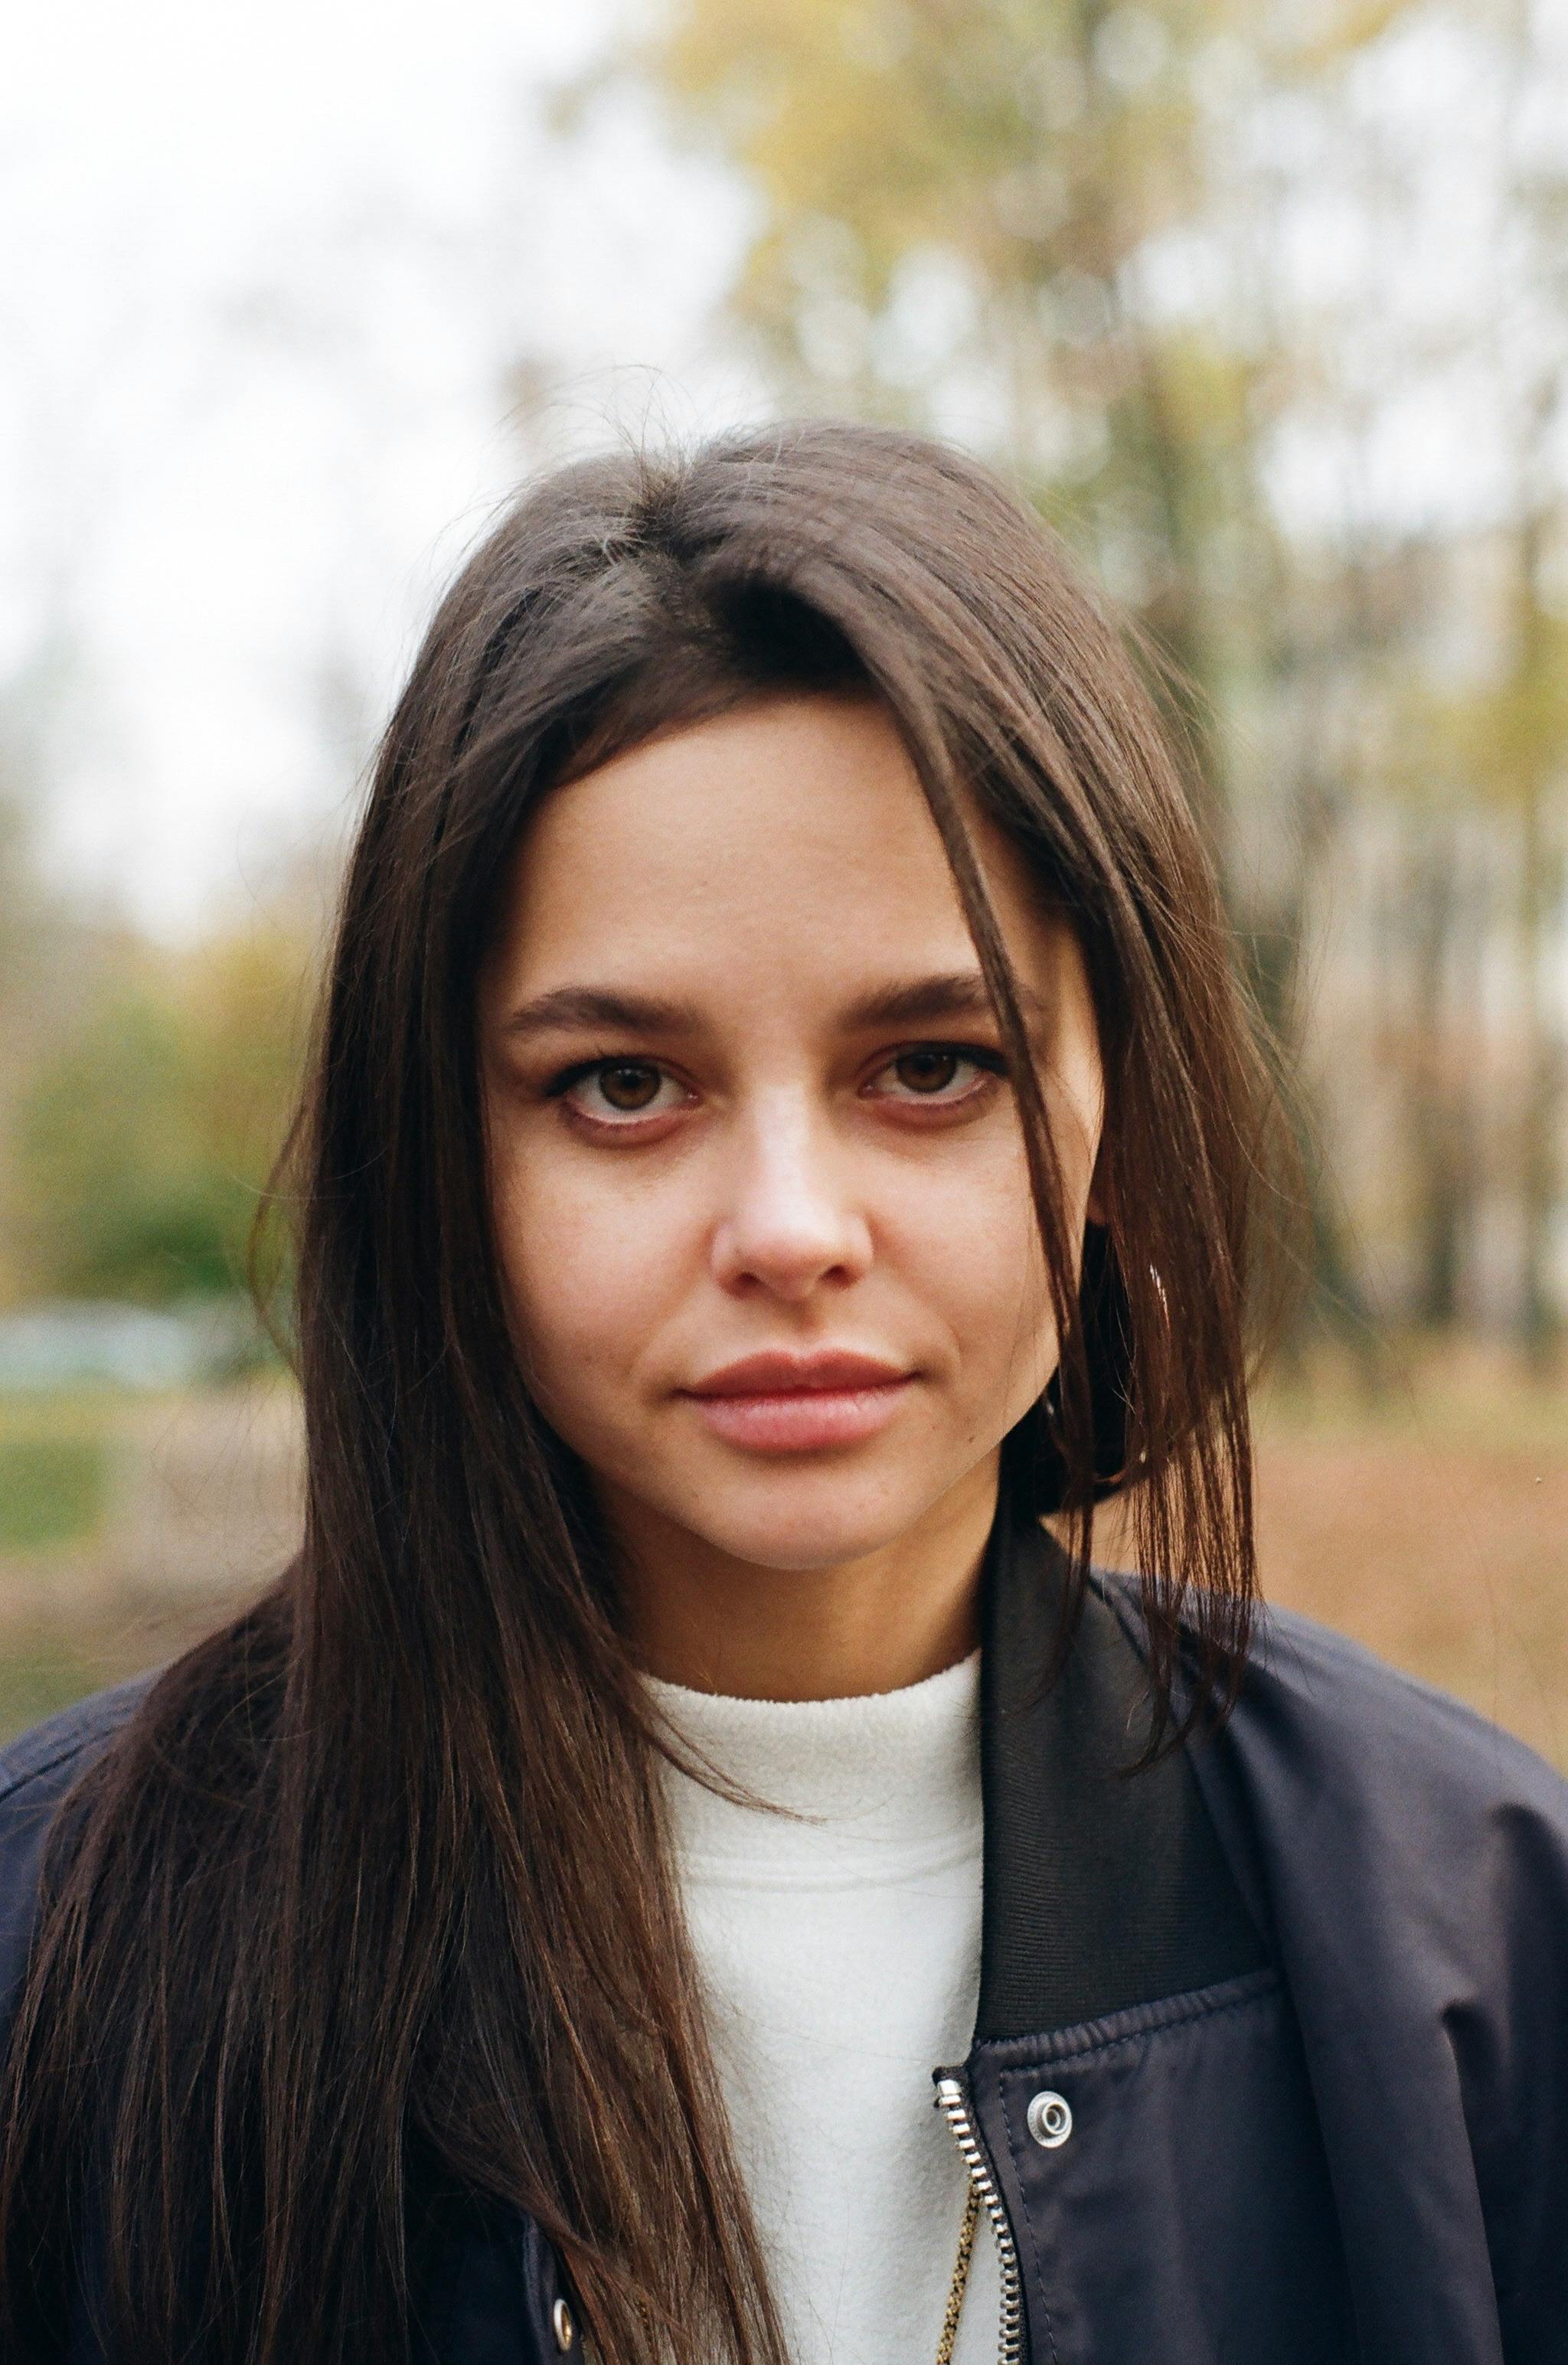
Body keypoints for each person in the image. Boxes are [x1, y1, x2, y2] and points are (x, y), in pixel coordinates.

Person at [0, 420, 1563, 2365]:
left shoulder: (1468, 1939)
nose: (790, 1229)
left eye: (930, 1066)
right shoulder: (54, 1947)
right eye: (623, 1086)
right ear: (443, 1151)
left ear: (1112, 1114)